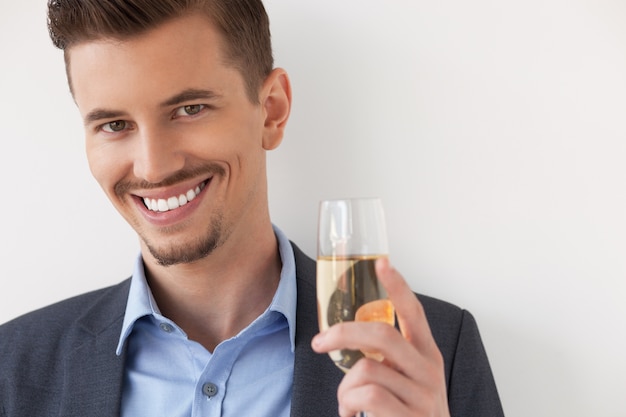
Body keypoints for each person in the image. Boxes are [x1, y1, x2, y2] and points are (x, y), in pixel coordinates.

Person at [0, 1, 504, 416]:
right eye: (113, 125)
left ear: (272, 111)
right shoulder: (13, 368)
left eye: (189, 109)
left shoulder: (434, 351)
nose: (152, 168)